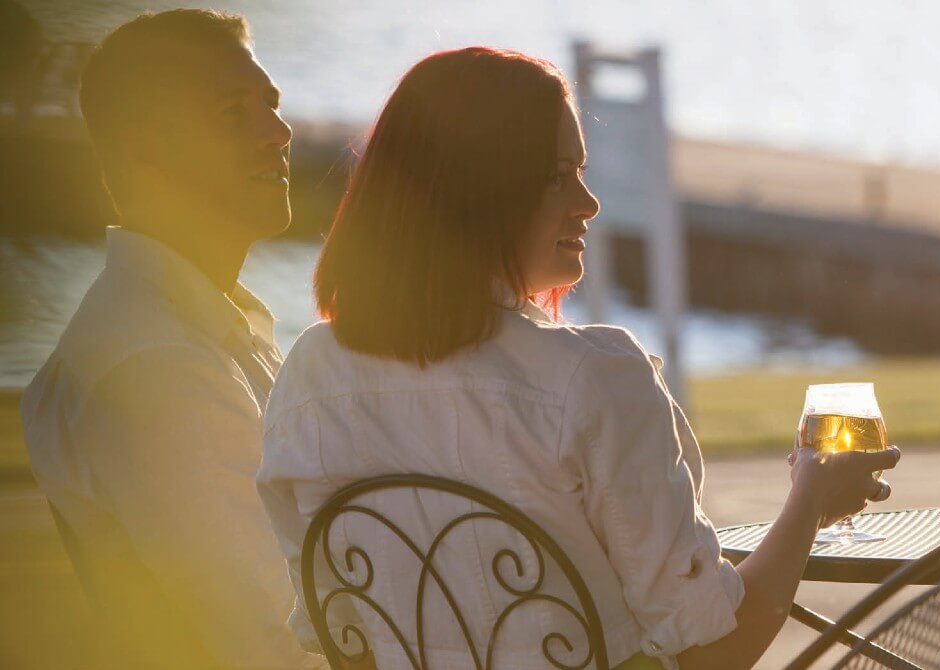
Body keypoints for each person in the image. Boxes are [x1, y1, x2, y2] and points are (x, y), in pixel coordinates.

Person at [257, 47, 898, 670]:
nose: (588, 204)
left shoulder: (313, 378)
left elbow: (340, 633)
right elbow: (712, 652)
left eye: (582, 173)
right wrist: (809, 500)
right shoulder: (592, 379)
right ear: (480, 192)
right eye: (558, 176)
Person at [19, 9, 323, 669]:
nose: (279, 132)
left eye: (271, 105)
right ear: (144, 149)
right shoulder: (160, 369)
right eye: (231, 114)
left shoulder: (189, 326)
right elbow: (266, 652)